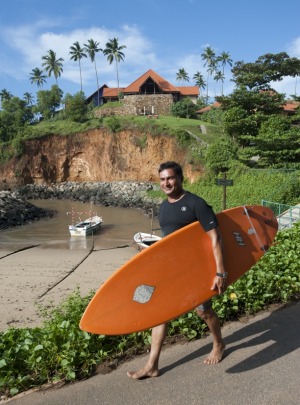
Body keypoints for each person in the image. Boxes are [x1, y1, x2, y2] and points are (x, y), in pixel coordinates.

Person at [127, 161, 227, 379]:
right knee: (160, 314)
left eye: (170, 178)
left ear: (180, 178)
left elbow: (215, 237)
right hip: (171, 270)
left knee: (203, 311)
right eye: (162, 179)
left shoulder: (195, 204)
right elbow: (169, 241)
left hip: (196, 268)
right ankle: (152, 365)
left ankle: (219, 344)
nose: (166, 183)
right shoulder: (163, 206)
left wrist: (220, 272)